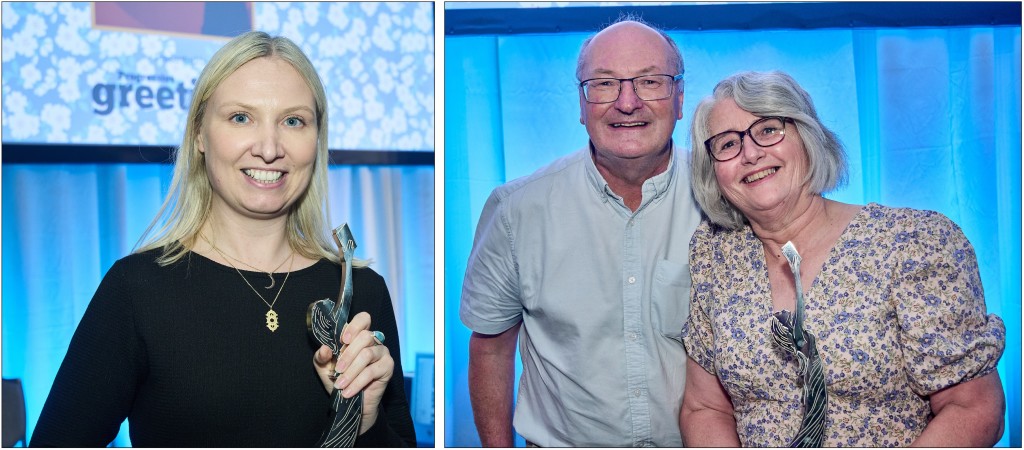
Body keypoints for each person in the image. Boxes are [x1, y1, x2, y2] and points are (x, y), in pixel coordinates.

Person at [30, 31, 416, 447]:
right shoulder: (136, 291)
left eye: (293, 121)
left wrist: (361, 419)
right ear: (199, 134)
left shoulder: (361, 294)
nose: (269, 148)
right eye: (240, 118)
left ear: (317, 139)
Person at [679, 70, 1006, 447]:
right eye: (727, 144)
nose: (751, 153)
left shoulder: (913, 243)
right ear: (713, 169)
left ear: (807, 136)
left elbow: (973, 408)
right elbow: (704, 408)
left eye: (768, 129)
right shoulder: (716, 256)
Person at [460, 17, 701, 447]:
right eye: (604, 84)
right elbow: (491, 348)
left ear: (680, 98)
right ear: (580, 103)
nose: (627, 102)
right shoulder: (517, 210)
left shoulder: (726, 200)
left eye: (650, 81)